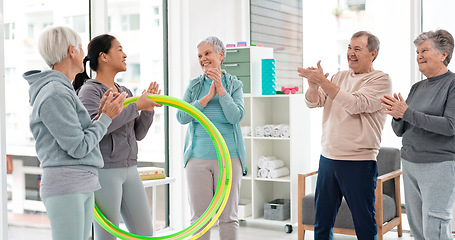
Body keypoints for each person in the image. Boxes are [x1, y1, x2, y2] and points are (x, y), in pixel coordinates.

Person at [23, 26, 125, 240]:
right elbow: (78, 147)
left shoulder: (63, 90)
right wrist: (106, 117)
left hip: (80, 182)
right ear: (71, 51)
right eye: (80, 48)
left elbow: (78, 138)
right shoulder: (54, 93)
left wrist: (100, 116)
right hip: (66, 184)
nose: (84, 55)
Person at [297, 31, 392, 240]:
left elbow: (355, 104)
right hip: (328, 158)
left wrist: (323, 82)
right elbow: (313, 102)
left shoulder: (381, 80)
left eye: (358, 49)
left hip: (358, 162)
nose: (351, 53)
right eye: (349, 48)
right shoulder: (339, 76)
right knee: (321, 222)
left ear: (373, 53)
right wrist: (314, 87)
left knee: (364, 224)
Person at [74, 34, 162, 239]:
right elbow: (96, 129)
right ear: (103, 57)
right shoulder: (89, 91)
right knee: (107, 236)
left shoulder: (125, 91)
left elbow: (138, 134)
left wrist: (147, 110)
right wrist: (136, 105)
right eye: (120, 49)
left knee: (145, 233)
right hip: (104, 171)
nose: (125, 55)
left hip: (130, 168)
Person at [380, 29, 455, 240]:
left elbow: (450, 126)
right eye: (417, 51)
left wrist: (407, 112)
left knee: (435, 227)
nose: (418, 56)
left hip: (439, 165)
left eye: (424, 50)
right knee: (417, 227)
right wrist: (397, 115)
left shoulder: (452, 84)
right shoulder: (416, 87)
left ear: (444, 54)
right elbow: (401, 130)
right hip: (410, 162)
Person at [176, 36, 246, 240]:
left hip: (229, 157)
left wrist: (221, 90)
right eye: (199, 55)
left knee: (228, 217)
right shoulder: (194, 86)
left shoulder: (235, 85)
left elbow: (236, 116)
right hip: (198, 157)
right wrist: (206, 98)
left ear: (221, 55)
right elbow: (182, 116)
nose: (203, 59)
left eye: (207, 53)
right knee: (200, 218)